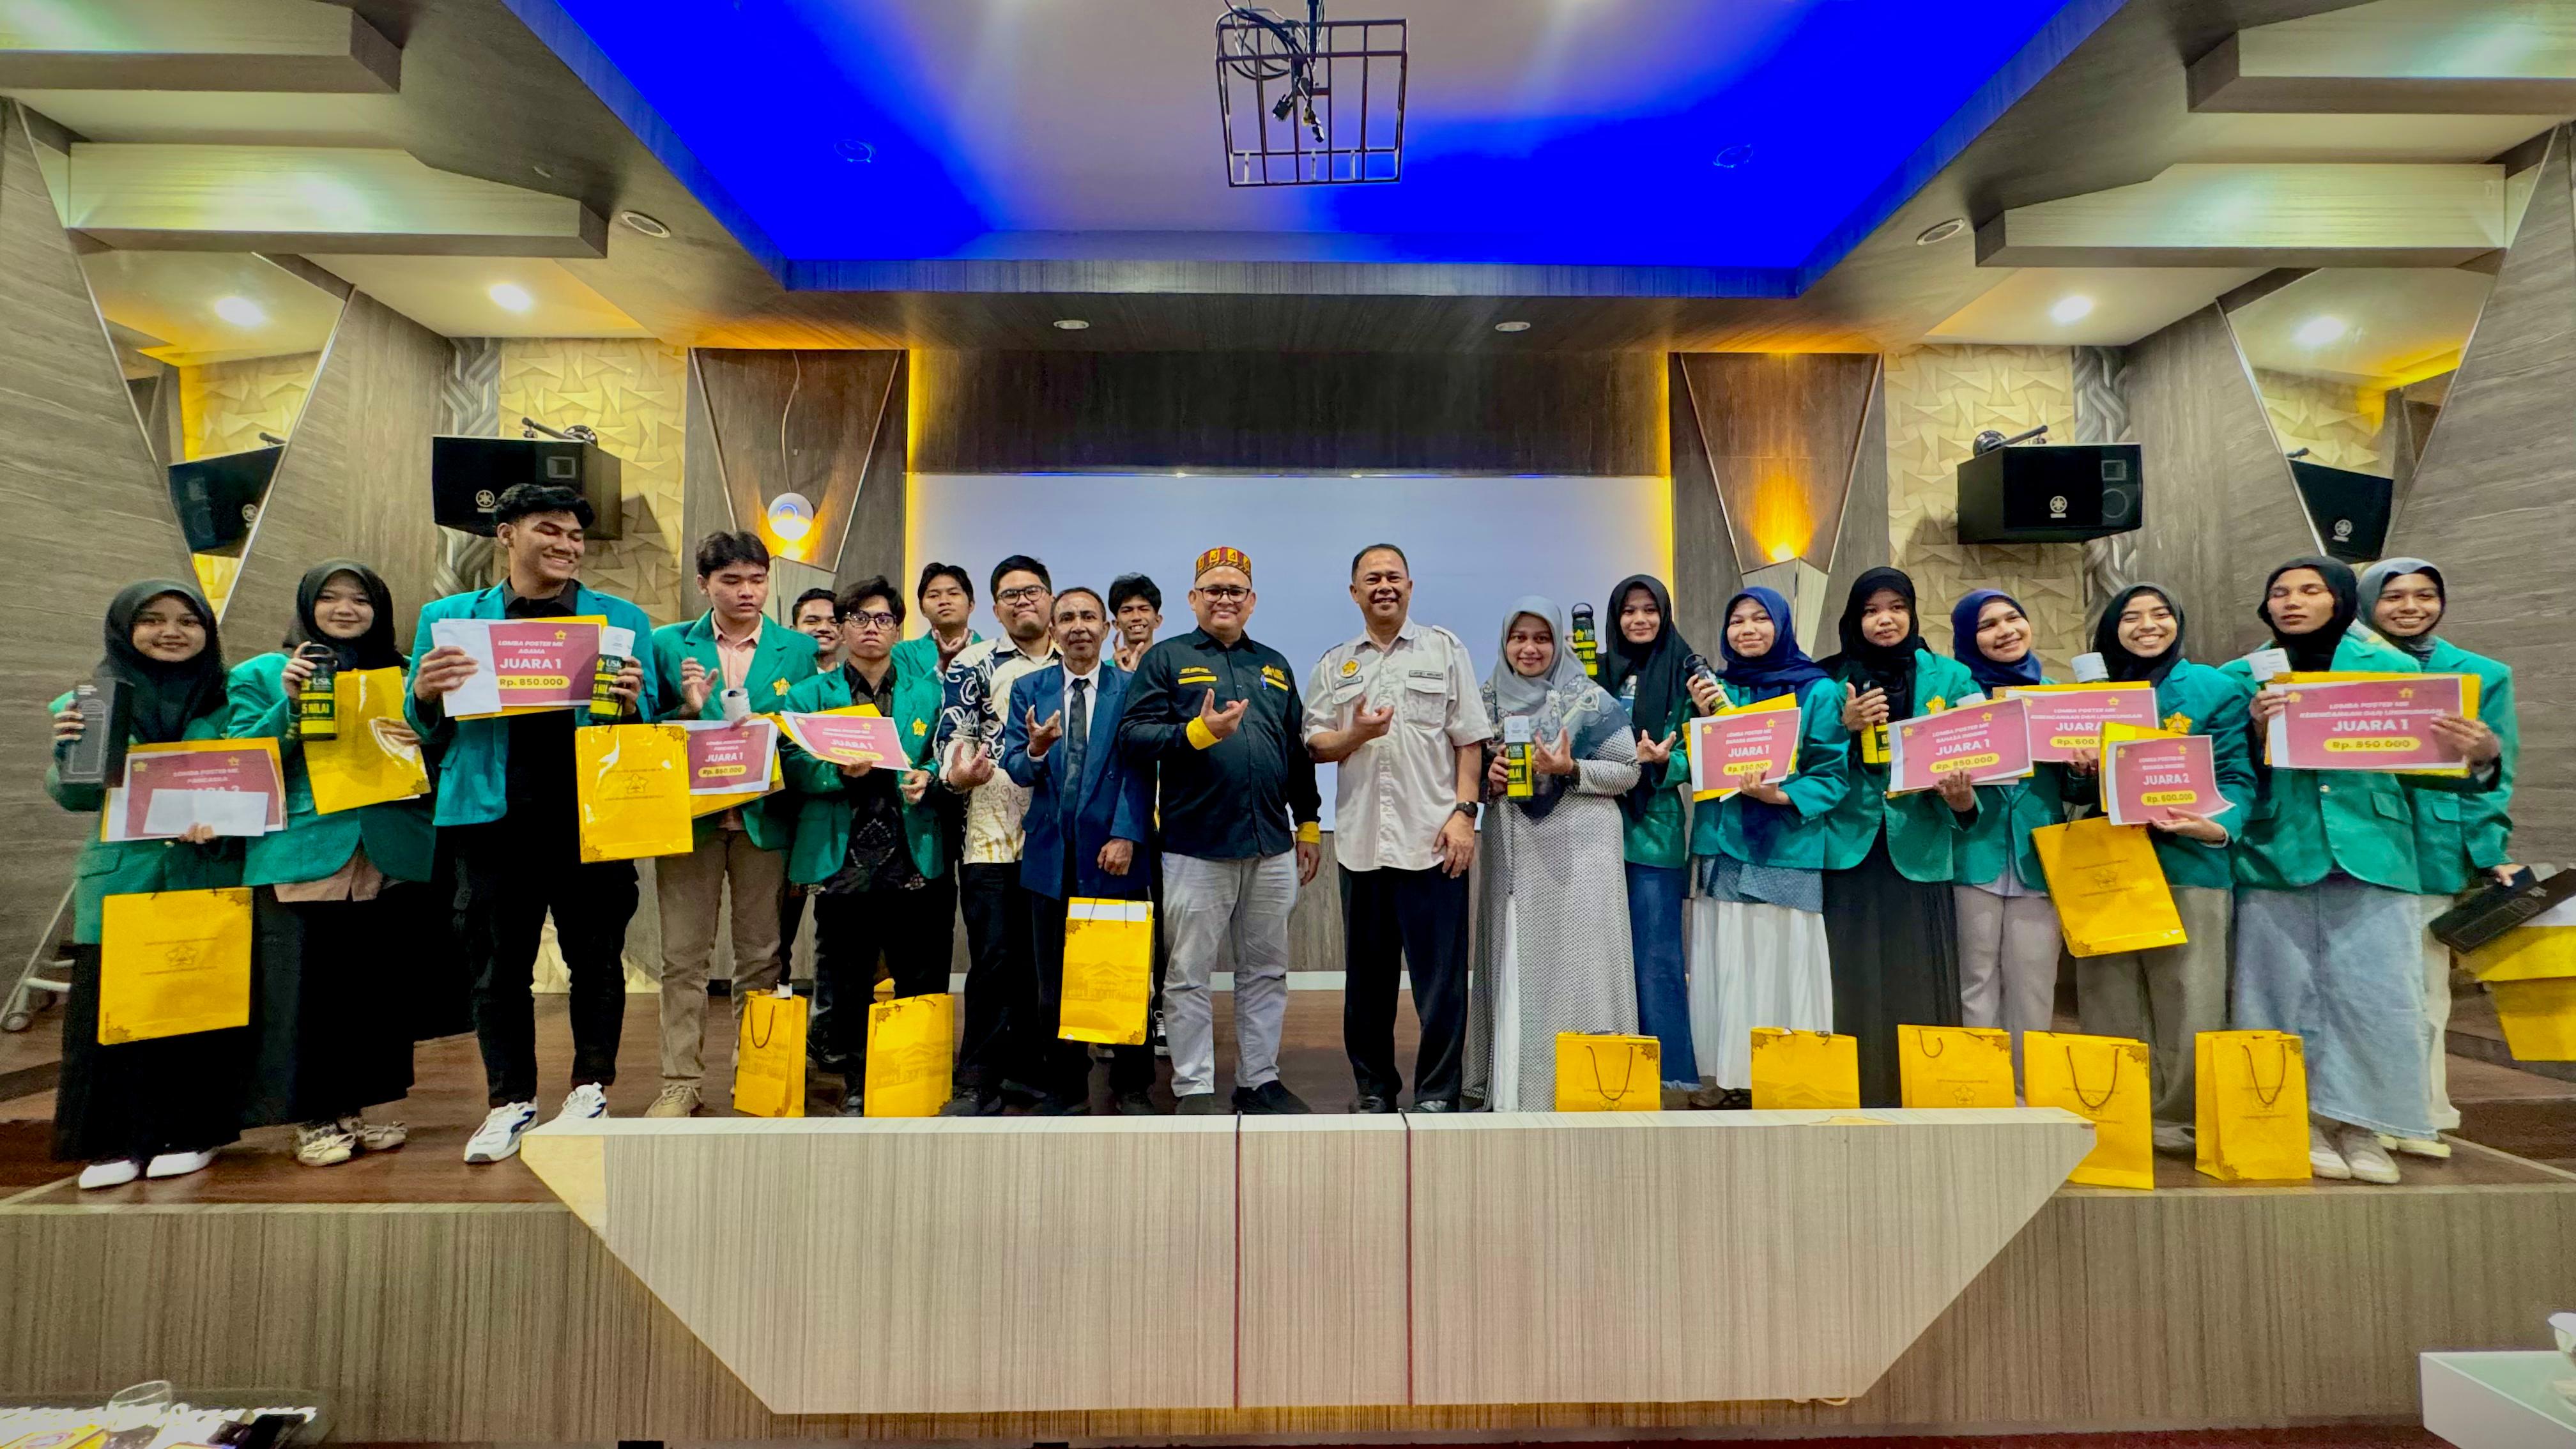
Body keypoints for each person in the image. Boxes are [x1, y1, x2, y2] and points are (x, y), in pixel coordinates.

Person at [2227, 556, 2498, 1184]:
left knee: (2375, 993)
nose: (2293, 602)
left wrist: (2477, 755)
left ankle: (2364, 1123)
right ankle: (2298, 1117)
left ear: (2342, 600)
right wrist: (2253, 733)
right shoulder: (2241, 677)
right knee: (2278, 991)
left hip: (2374, 845)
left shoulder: (2397, 668)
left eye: (2310, 590)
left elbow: (2425, 767)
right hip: (2278, 848)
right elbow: (2227, 769)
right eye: (2279, 593)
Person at [406, 482, 654, 1164]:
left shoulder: (619, 619)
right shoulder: (452, 619)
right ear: (506, 534)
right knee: (497, 970)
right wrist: (426, 692)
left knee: (598, 962)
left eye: (576, 536)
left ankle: (590, 1090)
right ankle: (509, 1101)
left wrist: (634, 703)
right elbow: (421, 726)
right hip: (492, 820)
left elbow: (651, 724)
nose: (567, 546)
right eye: (551, 531)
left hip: (591, 819)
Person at [229, 561, 433, 1166]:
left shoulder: (403, 674)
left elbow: (435, 749)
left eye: (361, 600)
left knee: (370, 991)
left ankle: (357, 1107)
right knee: (305, 991)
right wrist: (288, 706)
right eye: (330, 599)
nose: (346, 610)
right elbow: (240, 762)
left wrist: (427, 730)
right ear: (306, 606)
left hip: (386, 849)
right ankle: (313, 1117)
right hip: (304, 849)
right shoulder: (264, 672)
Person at [49, 581, 243, 1189]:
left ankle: (192, 1132)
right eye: (153, 620)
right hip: (122, 878)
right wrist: (69, 752)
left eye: (189, 621)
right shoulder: (88, 701)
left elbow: (252, 776)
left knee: (195, 1008)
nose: (172, 631)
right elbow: (77, 797)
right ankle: (109, 1143)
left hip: (204, 873)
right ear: (123, 628)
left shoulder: (232, 699)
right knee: (108, 1017)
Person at [1116, 546, 1321, 1114]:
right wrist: (1198, 733)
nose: (1224, 598)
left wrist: (1308, 822)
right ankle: (1195, 1086)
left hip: (1271, 846)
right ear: (1193, 600)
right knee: (1187, 975)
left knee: (1266, 972)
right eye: (1213, 589)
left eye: (1235, 590)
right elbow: (1133, 738)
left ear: (1251, 602)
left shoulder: (1275, 665)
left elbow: (1296, 752)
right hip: (1195, 846)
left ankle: (1260, 1080)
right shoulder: (1167, 659)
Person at [1304, 545, 1491, 1114]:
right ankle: (1374, 1088)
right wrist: (1356, 734)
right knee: (1366, 987)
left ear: (1410, 585)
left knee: (1440, 985)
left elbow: (1470, 740)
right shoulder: (1336, 664)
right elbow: (1315, 743)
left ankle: (1438, 1092)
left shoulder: (1444, 649)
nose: (1383, 586)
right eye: (1371, 579)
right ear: (1354, 592)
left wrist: (1465, 814)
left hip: (1434, 842)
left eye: (1393, 577)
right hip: (1361, 845)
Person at [642, 532, 819, 1117]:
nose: (748, 592)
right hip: (690, 821)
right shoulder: (668, 645)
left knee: (763, 956)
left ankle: (757, 1076)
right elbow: (642, 732)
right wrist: (687, 711)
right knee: (684, 958)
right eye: (732, 581)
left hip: (764, 823)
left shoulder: (796, 649)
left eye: (757, 580)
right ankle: (681, 1081)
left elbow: (806, 731)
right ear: (704, 585)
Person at [2071, 585, 2253, 1153]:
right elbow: (2077, 786)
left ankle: (2180, 1116)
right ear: (2111, 628)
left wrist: (2218, 825)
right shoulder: (2095, 694)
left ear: (2177, 622)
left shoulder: (2214, 689)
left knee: (2188, 989)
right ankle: (2117, 1106)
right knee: (2108, 989)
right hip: (2109, 856)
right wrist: (2078, 768)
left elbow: (2240, 777)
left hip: (2188, 856)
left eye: (2159, 615)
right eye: (2131, 617)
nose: (2147, 626)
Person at [2356, 556, 2516, 1159]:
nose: (2410, 607)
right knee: (2365, 988)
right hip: (2366, 844)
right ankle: (2368, 1110)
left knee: (2425, 993)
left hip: (2435, 850)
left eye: (2424, 596)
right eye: (2393, 596)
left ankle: (2421, 1110)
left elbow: (2497, 773)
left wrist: (2490, 848)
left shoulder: (2480, 675)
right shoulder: (2343, 674)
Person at [778, 576, 949, 1114]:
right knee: (846, 977)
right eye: (858, 619)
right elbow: (793, 767)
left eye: (882, 620)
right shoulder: (810, 694)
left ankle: (912, 1079)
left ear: (898, 629)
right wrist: (839, 771)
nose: (870, 629)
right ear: (841, 627)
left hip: (909, 849)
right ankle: (855, 1080)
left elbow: (945, 754)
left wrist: (928, 775)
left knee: (917, 972)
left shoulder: (929, 691)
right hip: (842, 854)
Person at [1464, 598, 1640, 1112]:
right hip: (1517, 856)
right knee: (1520, 964)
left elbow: (1627, 771)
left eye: (1542, 638)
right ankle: (1518, 1088)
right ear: (1504, 643)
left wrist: (1569, 770)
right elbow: (1467, 772)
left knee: (1578, 969)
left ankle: (1583, 1089)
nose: (1530, 648)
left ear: (1560, 642)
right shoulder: (1487, 701)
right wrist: (1488, 781)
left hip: (1581, 853)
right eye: (1519, 638)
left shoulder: (1589, 699)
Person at [1682, 587, 1851, 1107]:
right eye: (1737, 621)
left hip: (1787, 846)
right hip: (1723, 846)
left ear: (1782, 626)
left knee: (1782, 959)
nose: (1748, 629)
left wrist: (1780, 794)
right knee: (1728, 959)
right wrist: (1682, 734)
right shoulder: (1716, 689)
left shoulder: (1818, 692)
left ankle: (1787, 1077)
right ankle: (1731, 1078)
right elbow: (1692, 760)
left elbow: (1832, 772)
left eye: (1760, 619)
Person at [1816, 567, 1975, 1107]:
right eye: (1870, 610)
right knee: (1850, 973)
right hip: (1850, 843)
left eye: (1896, 608)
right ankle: (1852, 1090)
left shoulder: (1952, 678)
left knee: (1918, 971)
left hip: (1922, 842)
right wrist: (1845, 727)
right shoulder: (1829, 682)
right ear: (1854, 619)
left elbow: (1979, 753)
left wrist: (1964, 797)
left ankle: (1925, 1092)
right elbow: (1807, 763)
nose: (1884, 620)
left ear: (1911, 612)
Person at [999, 588, 1158, 1114]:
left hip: (1113, 850)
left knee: (1121, 975)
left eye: (1089, 616)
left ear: (1107, 626)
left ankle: (1133, 1085)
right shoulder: (1030, 688)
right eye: (1066, 618)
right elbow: (1016, 766)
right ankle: (1066, 1086)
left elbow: (1141, 768)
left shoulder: (1131, 688)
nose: (1078, 626)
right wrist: (1037, 750)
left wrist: (1127, 834)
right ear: (1052, 627)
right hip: (1050, 852)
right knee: (1054, 986)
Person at [934, 556, 1061, 1114]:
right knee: (993, 959)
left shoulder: (1077, 661)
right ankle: (978, 1079)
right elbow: (952, 735)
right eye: (1009, 595)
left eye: (1032, 591)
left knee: (1046, 963)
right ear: (995, 608)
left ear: (1050, 597)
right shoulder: (974, 664)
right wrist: (957, 772)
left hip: (1058, 836)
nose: (1022, 601)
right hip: (992, 834)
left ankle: (1036, 1073)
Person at [1944, 590, 2066, 1080]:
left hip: (2040, 855)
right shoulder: (1956, 698)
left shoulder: (2060, 696)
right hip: (1974, 852)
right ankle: (1981, 1086)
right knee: (1975, 979)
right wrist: (1959, 800)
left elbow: (2078, 786)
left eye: (2013, 618)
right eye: (1988, 625)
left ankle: (2028, 1088)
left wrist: (2083, 768)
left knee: (2035, 980)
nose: (2005, 631)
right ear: (1968, 638)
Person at [1595, 574, 1700, 1100]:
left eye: (1649, 610)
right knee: (1602, 955)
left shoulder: (1687, 671)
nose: (1639, 620)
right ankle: (1609, 1064)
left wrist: (1667, 761)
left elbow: (1704, 750)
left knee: (1657, 956)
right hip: (1594, 828)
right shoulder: (1596, 672)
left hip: (1655, 828)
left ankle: (1670, 1071)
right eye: (1629, 611)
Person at [1109, 573, 1163, 673]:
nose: (1136, 617)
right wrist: (1121, 675)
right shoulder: (1103, 672)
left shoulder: (1171, 668)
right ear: (1116, 624)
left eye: (1144, 609)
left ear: (1158, 620)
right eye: (1127, 611)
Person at [790, 586, 842, 671]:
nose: (824, 628)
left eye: (834, 622)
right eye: (812, 621)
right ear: (793, 631)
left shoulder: (856, 682)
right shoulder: (779, 679)